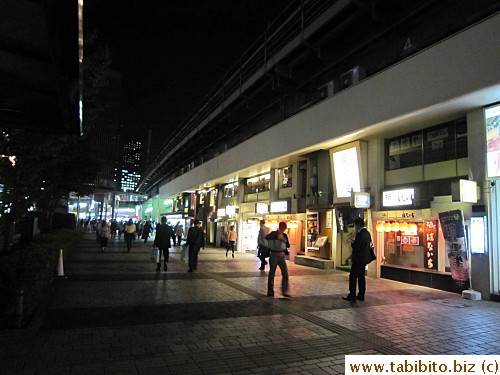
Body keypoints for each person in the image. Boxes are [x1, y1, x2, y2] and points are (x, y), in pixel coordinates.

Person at [342, 217, 373, 302]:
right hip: (364, 259)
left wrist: (353, 243)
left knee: (353, 277)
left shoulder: (360, 234)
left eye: (355, 225)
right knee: (361, 277)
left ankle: (352, 295)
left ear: (358, 225)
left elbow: (357, 247)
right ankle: (361, 294)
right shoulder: (367, 233)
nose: (355, 227)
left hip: (358, 259)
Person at [265, 222, 290, 297]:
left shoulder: (285, 235)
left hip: (282, 255)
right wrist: (277, 236)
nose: (284, 230)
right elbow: (267, 237)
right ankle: (270, 291)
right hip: (274, 255)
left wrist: (284, 240)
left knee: (285, 273)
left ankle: (284, 290)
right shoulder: (273, 233)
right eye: (283, 228)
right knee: (272, 272)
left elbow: (288, 245)